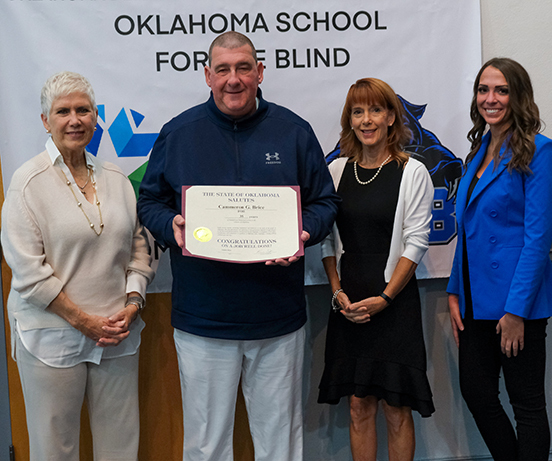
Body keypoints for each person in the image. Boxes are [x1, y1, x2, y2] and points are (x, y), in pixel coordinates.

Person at [137, 31, 338, 461]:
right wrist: (169, 224)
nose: (234, 79)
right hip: (203, 320)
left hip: (278, 318)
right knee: (207, 445)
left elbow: (324, 202)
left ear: (259, 72)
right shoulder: (179, 132)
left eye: (243, 67)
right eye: (223, 69)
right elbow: (150, 200)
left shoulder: (294, 131)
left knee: (280, 442)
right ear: (207, 75)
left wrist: (303, 231)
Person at [1, 71, 154, 460]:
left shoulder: (116, 178)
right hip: (50, 334)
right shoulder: (27, 182)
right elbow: (27, 271)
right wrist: (81, 319)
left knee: (120, 446)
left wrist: (134, 302)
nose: (75, 120)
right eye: (63, 111)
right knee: (56, 449)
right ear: (45, 121)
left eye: (83, 110)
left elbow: (139, 248)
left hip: (116, 332)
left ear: (95, 117)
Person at [447, 57, 552, 461]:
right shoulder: (477, 151)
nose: (490, 99)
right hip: (476, 299)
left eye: (501, 90)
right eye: (483, 90)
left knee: (526, 403)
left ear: (518, 96)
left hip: (517, 303)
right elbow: (470, 233)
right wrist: (454, 291)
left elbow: (537, 239)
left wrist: (516, 312)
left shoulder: (540, 151)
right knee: (477, 393)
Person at [318, 78, 435, 461]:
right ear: (349, 120)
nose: (366, 119)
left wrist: (385, 298)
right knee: (357, 405)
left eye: (375, 110)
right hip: (348, 306)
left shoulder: (413, 172)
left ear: (390, 117)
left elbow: (416, 242)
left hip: (393, 305)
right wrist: (337, 294)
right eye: (358, 111)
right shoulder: (335, 171)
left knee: (396, 409)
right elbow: (326, 240)